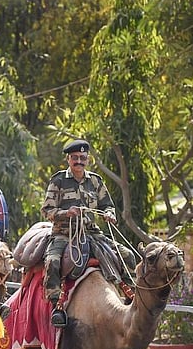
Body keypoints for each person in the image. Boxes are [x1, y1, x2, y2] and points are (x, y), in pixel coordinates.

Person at [41, 139, 136, 327]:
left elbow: (107, 205)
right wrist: (66, 213)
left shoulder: (95, 181)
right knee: (52, 262)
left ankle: (129, 296)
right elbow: (47, 211)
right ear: (68, 159)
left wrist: (109, 214)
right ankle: (56, 307)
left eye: (82, 158)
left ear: (88, 159)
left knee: (128, 255)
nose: (79, 161)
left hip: (92, 233)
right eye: (75, 158)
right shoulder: (58, 180)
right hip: (64, 234)